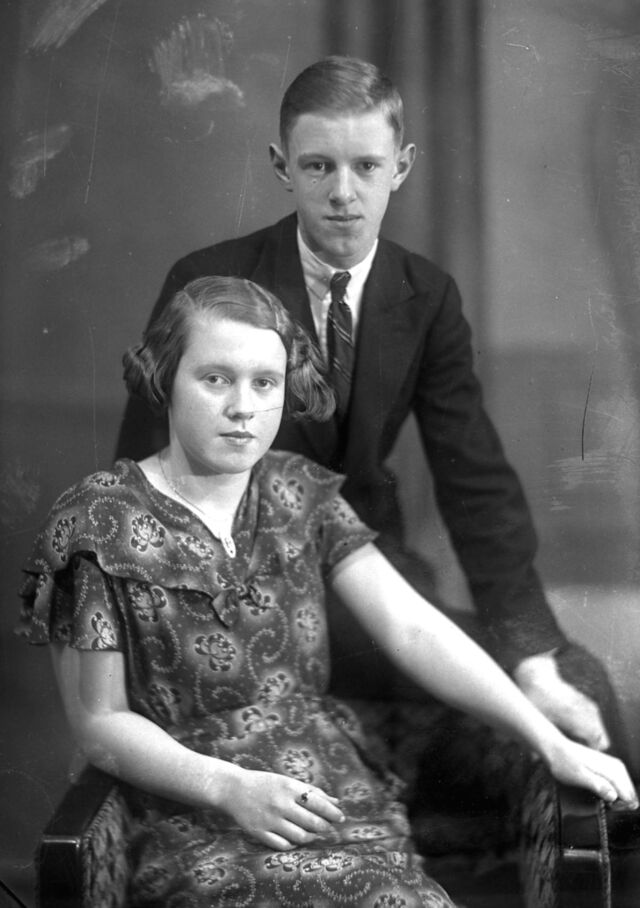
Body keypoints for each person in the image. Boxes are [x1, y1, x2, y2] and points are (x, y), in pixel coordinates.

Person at [18, 277, 638, 907]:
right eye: (215, 379)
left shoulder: (297, 491)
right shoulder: (100, 519)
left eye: (265, 383)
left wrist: (548, 741)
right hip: (194, 812)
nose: (243, 407)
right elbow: (99, 723)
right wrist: (229, 788)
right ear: (166, 379)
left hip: (334, 792)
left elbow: (411, 626)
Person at [116, 56, 614, 759]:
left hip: (377, 590)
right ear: (282, 166)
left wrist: (531, 657)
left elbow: (475, 482)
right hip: (233, 598)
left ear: (400, 167)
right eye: (318, 166)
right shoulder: (207, 283)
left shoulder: (426, 296)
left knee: (578, 684)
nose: (343, 194)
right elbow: (140, 476)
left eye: (367, 167)